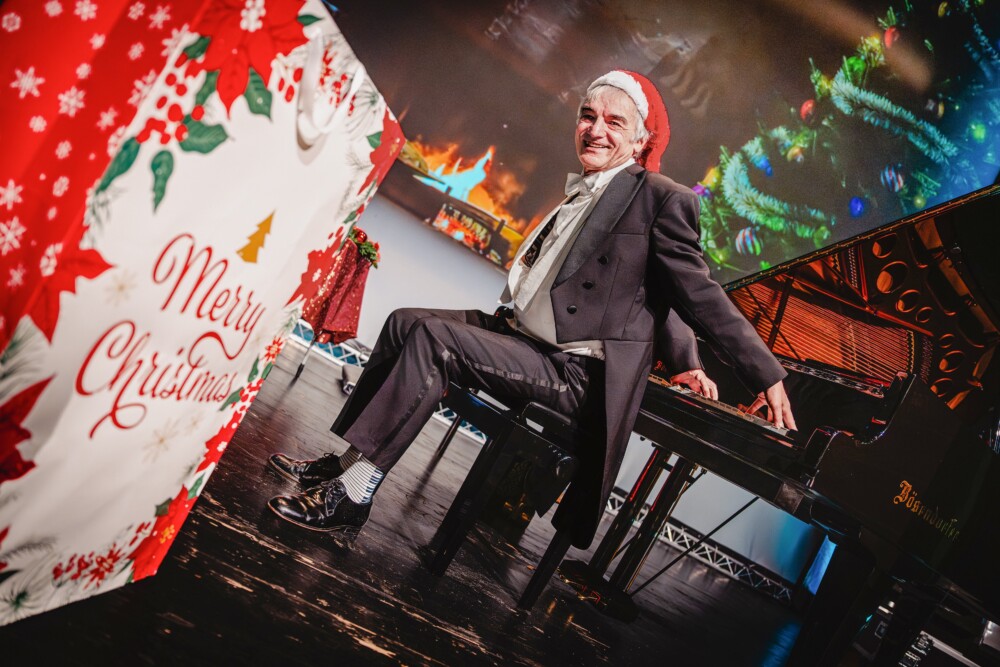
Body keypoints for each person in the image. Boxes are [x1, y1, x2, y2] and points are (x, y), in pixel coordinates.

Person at [266, 70, 795, 550]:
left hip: (574, 372)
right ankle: (346, 464)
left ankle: (353, 497)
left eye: (614, 122)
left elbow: (691, 290)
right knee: (405, 321)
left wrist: (762, 373)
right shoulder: (586, 187)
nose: (595, 130)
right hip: (523, 338)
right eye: (588, 116)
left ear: (640, 141)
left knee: (435, 340)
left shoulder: (658, 196)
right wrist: (686, 359)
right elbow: (650, 287)